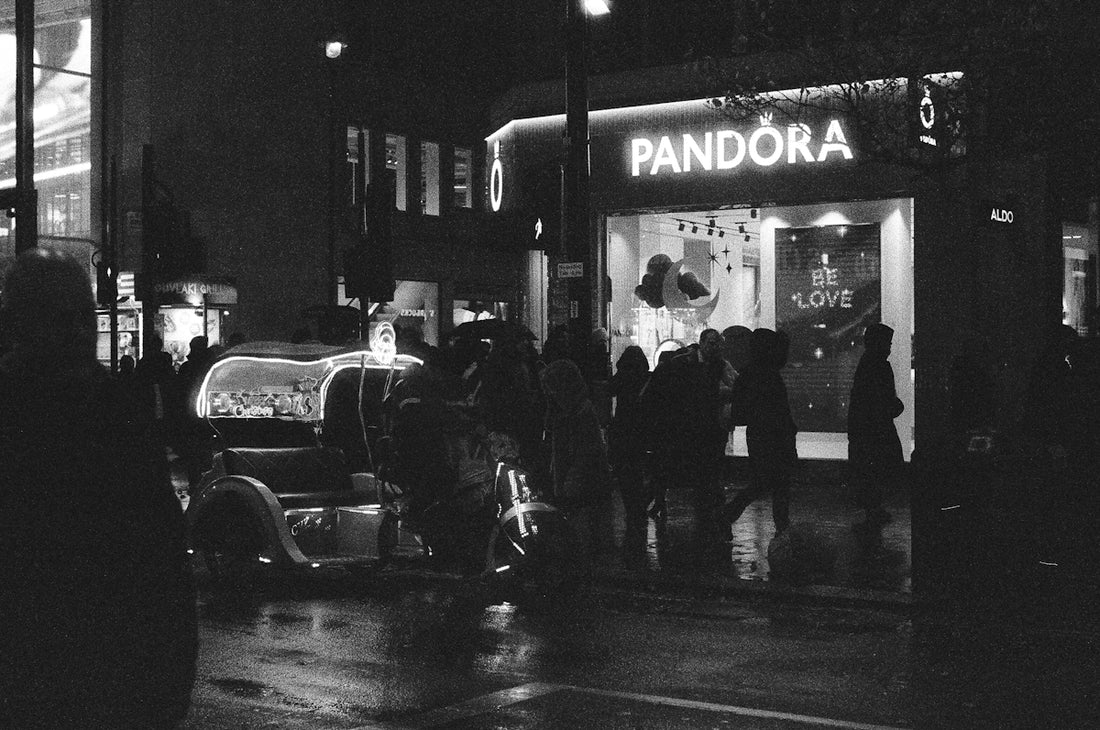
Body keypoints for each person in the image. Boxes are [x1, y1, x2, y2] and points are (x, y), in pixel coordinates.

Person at [0, 249, 196, 728]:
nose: (79, 332)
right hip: (112, 674)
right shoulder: (117, 411)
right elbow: (162, 555)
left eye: (82, 319)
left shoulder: (90, 409)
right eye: (68, 319)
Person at [643, 329, 736, 559]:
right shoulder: (683, 364)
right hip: (693, 427)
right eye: (713, 343)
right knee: (703, 471)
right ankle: (708, 521)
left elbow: (734, 385)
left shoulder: (718, 364)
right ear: (702, 343)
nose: (716, 348)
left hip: (707, 427)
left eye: (719, 344)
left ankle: (705, 518)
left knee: (706, 471)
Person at [719, 328, 796, 535]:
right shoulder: (770, 375)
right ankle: (780, 528)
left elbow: (740, 412)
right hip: (776, 435)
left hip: (760, 435)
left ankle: (730, 513)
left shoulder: (749, 374)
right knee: (778, 483)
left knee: (764, 481)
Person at [541, 358, 614, 566]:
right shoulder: (565, 409)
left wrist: (569, 482)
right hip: (570, 480)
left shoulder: (579, 412)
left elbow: (583, 452)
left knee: (582, 532)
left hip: (578, 483)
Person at [847, 323, 904, 531]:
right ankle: (874, 508)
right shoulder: (879, 365)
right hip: (877, 428)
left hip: (865, 427)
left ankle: (873, 508)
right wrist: (896, 407)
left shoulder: (867, 363)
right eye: (887, 343)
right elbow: (883, 399)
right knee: (878, 469)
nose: (889, 347)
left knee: (869, 470)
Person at [607, 345, 652, 568]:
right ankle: (639, 507)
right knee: (636, 469)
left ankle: (632, 508)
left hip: (622, 428)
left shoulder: (621, 376)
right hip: (640, 429)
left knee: (625, 472)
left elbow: (608, 391)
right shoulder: (645, 377)